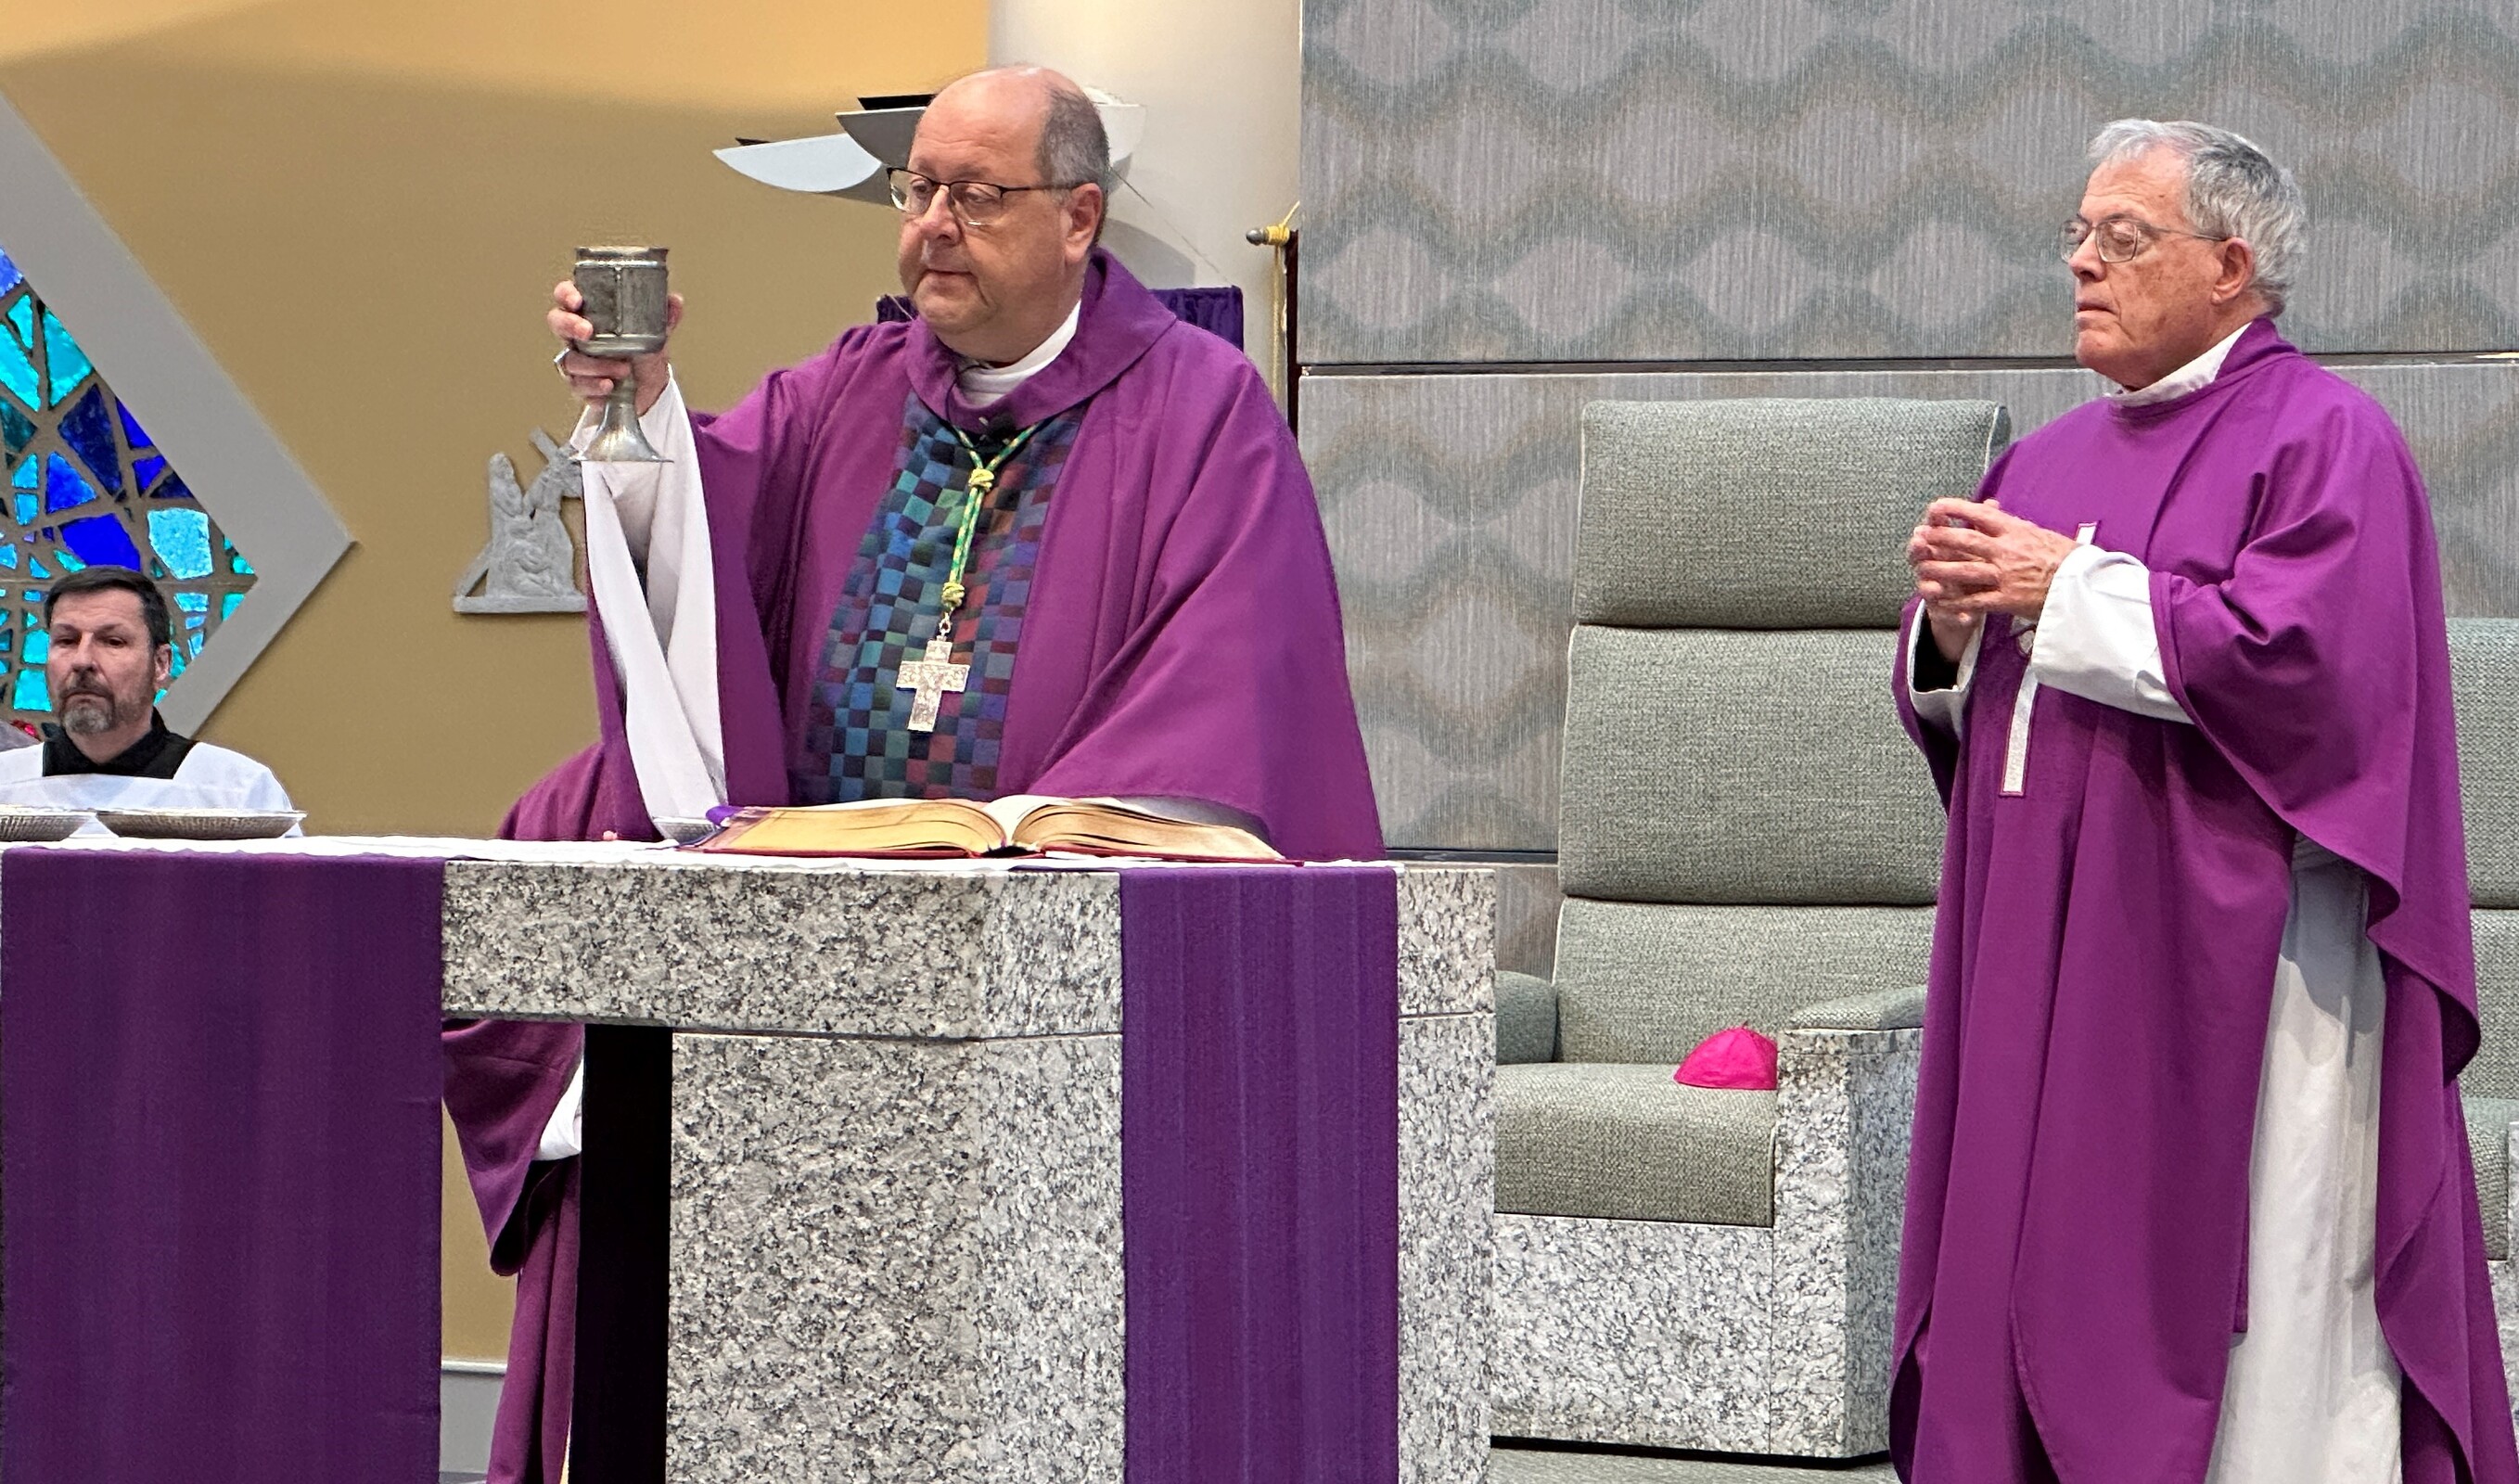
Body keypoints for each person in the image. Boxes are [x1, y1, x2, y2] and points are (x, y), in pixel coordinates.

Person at [444, 64, 1382, 1483]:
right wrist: (636, 419)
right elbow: (697, 559)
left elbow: (1236, 684)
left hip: (1044, 986)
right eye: (918, 188)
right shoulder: (845, 390)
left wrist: (1022, 829)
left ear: (1079, 218)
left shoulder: (1203, 413)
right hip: (810, 981)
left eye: (977, 196)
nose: (932, 225)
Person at [1892, 119, 2518, 1483]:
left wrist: (2068, 589)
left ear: (2231, 266)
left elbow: (2308, 669)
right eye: (2078, 234)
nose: (2082, 264)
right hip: (2040, 947)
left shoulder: (2328, 439)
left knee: (2258, 1298)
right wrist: (1945, 636)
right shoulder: (2042, 459)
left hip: (2238, 957)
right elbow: (1980, 716)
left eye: (2123, 239)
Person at [0, 564, 293, 819]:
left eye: (113, 641)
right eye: (66, 640)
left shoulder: (237, 791)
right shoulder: (6, 785)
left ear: (161, 664)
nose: (82, 661)